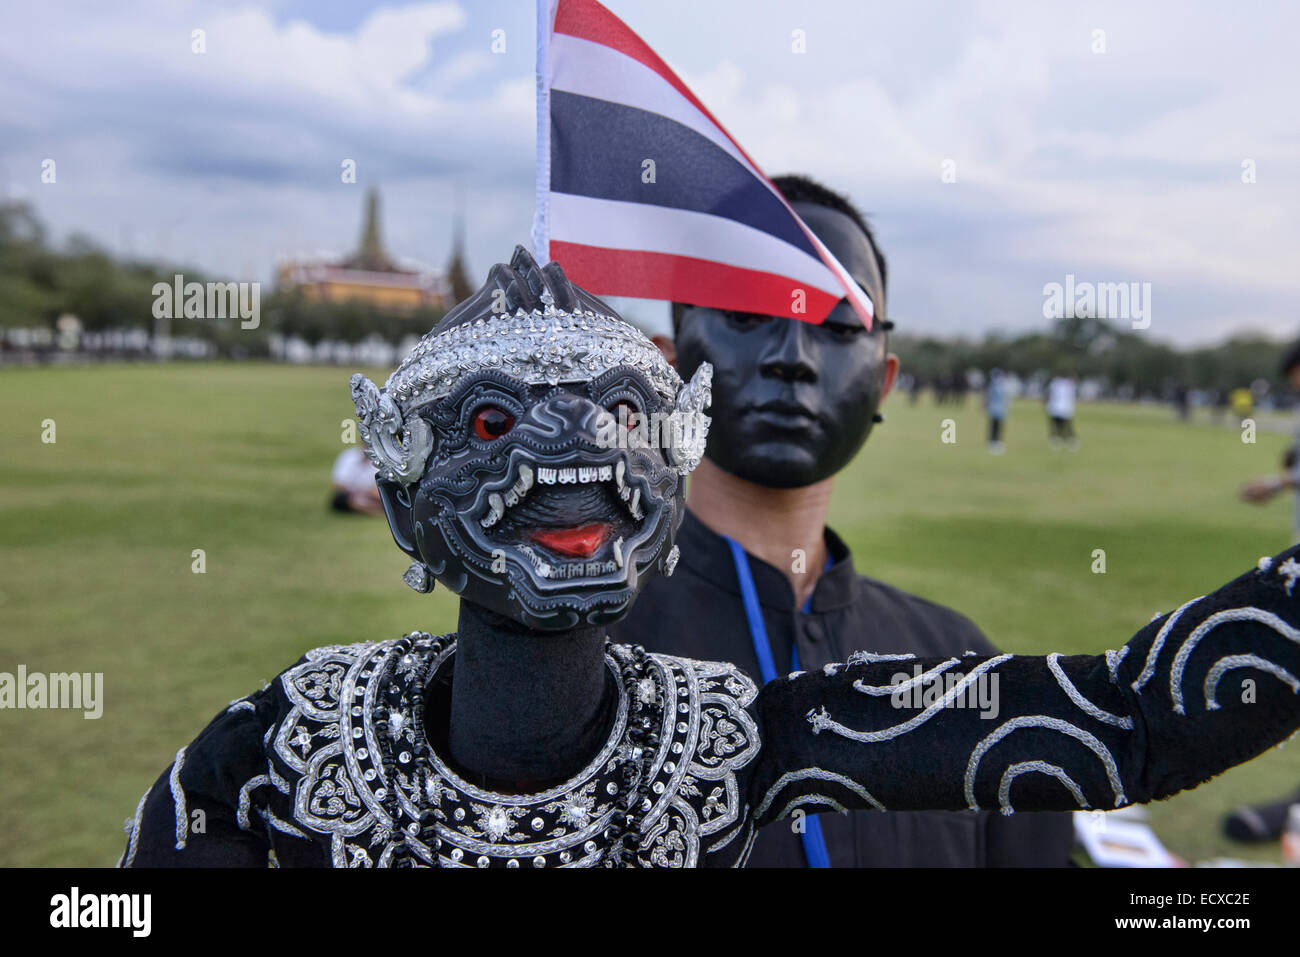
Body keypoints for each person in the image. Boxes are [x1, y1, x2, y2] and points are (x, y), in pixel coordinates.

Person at [118, 247, 1300, 868]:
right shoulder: (280, 750)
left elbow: (1131, 721)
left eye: (624, 425)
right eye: (491, 426)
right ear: (399, 502)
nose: (574, 454)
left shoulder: (740, 737)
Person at [610, 176, 1055, 868]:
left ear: (884, 379)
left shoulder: (963, 668)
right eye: (746, 313)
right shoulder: (582, 662)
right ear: (669, 366)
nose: (793, 356)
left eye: (840, 326)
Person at [329, 445, 383, 515]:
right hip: (351, 494)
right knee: (341, 498)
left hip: (372, 494)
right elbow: (339, 484)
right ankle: (373, 509)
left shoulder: (382, 459)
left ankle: (366, 507)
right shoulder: (349, 456)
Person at [1045, 372, 1078, 450]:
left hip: (1063, 408)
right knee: (1057, 426)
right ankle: (1059, 440)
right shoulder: (1059, 384)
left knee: (1065, 426)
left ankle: (1069, 440)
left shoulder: (1062, 384)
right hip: (1057, 408)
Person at [986, 368, 1009, 454]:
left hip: (999, 409)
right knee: (994, 426)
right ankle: (993, 442)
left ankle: (996, 441)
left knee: (998, 426)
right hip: (995, 409)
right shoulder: (994, 385)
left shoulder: (1000, 385)